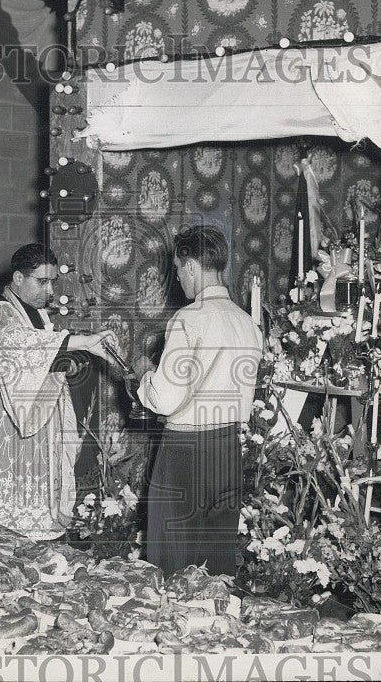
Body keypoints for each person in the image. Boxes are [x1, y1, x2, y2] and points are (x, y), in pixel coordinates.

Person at [0, 243, 116, 539]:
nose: (50, 291)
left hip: (32, 432)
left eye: (52, 281)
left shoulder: (33, 314)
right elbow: (22, 345)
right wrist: (83, 341)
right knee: (3, 530)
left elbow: (36, 362)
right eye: (41, 281)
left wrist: (65, 364)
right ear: (17, 279)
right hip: (7, 434)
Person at [135, 226, 264, 576]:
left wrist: (144, 376)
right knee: (217, 564)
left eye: (178, 270)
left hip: (184, 453)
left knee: (171, 563)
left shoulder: (188, 318)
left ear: (190, 266)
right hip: (226, 451)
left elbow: (164, 398)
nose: (179, 279)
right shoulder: (248, 324)